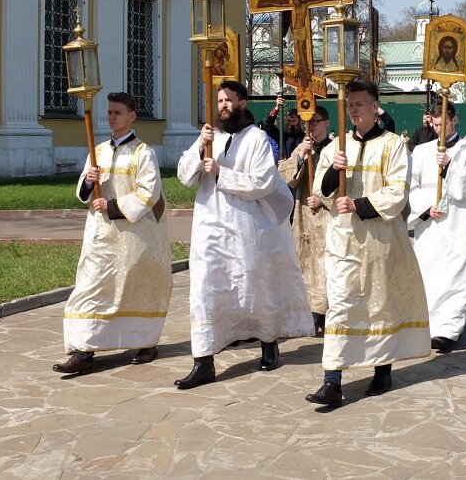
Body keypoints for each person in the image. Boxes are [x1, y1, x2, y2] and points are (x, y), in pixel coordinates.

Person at [175, 80, 313, 390]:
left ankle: (267, 341)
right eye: (219, 100)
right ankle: (204, 360)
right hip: (210, 226)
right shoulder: (210, 137)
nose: (223, 105)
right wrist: (199, 146)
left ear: (243, 102)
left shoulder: (257, 138)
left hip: (246, 228)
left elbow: (263, 182)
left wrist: (222, 172)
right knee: (206, 289)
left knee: (255, 286)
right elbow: (184, 175)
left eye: (228, 100)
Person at [306, 80, 430, 409]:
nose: (354, 109)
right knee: (340, 304)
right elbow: (320, 189)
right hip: (343, 240)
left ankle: (382, 369)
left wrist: (359, 204)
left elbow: (397, 192)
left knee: (380, 304)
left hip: (380, 240)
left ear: (375, 107)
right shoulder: (336, 147)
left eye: (361, 104)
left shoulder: (392, 146)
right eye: (350, 104)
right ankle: (332, 380)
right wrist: (334, 170)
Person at [53, 92, 171, 375]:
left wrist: (113, 205)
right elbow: (83, 190)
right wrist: (88, 181)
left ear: (131, 116)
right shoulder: (99, 150)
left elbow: (149, 193)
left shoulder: (143, 153)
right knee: (91, 286)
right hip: (101, 236)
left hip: (134, 236)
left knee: (135, 288)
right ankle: (83, 351)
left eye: (117, 112)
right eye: (109, 112)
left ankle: (145, 343)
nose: (111, 117)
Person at [409, 102, 466, 353]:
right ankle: (428, 322)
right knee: (429, 271)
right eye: (435, 124)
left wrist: (451, 163)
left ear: (455, 120)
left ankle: (449, 328)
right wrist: (425, 208)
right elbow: (410, 186)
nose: (439, 129)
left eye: (444, 123)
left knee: (455, 270)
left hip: (456, 220)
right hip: (429, 220)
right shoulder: (420, 151)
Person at [278, 106, 334, 335]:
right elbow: (284, 178)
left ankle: (322, 312)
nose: (312, 126)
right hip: (303, 215)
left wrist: (322, 200)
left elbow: (347, 182)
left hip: (328, 216)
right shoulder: (302, 148)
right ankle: (306, 310)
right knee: (304, 264)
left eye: (316, 121)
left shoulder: (335, 148)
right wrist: (301, 155)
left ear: (327, 123)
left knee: (324, 265)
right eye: (308, 122)